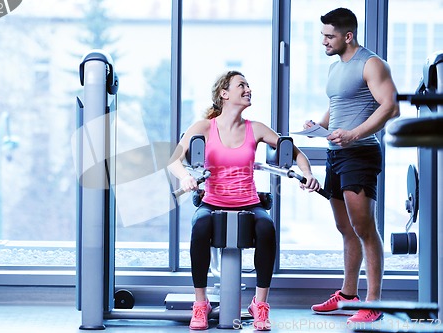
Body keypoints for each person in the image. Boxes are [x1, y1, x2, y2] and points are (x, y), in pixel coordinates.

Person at [168, 70, 321, 330]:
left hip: (249, 202)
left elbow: (295, 152)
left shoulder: (256, 128)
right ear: (224, 94)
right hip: (213, 200)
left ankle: (260, 304)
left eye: (249, 85)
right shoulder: (205, 127)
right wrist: (185, 177)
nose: (248, 89)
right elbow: (174, 159)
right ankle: (200, 303)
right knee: (200, 227)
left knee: (266, 227)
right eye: (242, 85)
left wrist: (307, 173)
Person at [305, 8, 400, 324]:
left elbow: (391, 107)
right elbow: (338, 107)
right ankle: (348, 295)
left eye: (329, 36)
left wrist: (354, 133)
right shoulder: (336, 68)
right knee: (345, 228)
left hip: (360, 154)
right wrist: (317, 125)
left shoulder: (371, 64)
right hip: (336, 153)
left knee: (364, 229)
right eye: (322, 36)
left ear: (348, 36)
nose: (324, 42)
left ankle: (373, 303)